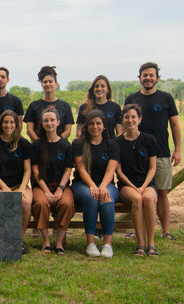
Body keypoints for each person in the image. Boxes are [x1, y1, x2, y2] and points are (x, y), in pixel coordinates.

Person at [125, 62, 181, 240]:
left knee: (162, 192)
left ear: (157, 78)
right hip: (136, 155)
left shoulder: (166, 98)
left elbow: (174, 125)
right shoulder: (132, 99)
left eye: (151, 75)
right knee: (139, 193)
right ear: (139, 78)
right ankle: (137, 230)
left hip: (162, 152)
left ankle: (165, 230)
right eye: (144, 75)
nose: (148, 78)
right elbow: (124, 125)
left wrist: (178, 149)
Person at [70, 110, 120, 258]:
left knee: (106, 198)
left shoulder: (112, 144)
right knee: (91, 197)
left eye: (98, 123)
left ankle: (107, 244)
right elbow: (80, 168)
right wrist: (92, 185)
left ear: (104, 126)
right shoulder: (78, 143)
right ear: (87, 126)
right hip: (82, 184)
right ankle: (90, 243)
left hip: (106, 183)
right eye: (91, 123)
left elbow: (111, 170)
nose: (95, 126)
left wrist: (103, 186)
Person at [30, 108, 75, 255]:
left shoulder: (66, 145)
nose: (49, 123)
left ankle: (59, 242)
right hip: (41, 186)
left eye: (52, 120)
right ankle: (46, 241)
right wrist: (47, 191)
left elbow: (68, 170)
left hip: (60, 185)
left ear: (58, 122)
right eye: (46, 121)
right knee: (42, 203)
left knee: (67, 204)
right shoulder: (36, 145)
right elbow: (36, 171)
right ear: (42, 124)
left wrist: (60, 189)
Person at [116, 104, 159, 257]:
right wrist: (133, 186)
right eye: (126, 117)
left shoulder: (149, 140)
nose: (130, 120)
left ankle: (151, 243)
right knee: (136, 198)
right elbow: (118, 171)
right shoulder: (117, 143)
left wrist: (144, 186)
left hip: (147, 184)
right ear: (122, 120)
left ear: (139, 119)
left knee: (147, 198)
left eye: (133, 117)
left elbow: (152, 168)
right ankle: (140, 243)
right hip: (127, 185)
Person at [0, 110, 33, 254]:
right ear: (1, 124)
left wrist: (21, 188)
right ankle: (1, 239)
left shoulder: (24, 143)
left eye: (11, 122)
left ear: (16, 125)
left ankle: (19, 239)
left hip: (19, 185)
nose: (8, 125)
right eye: (5, 122)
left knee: (26, 202)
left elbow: (28, 170)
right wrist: (3, 187)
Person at [24, 66, 74, 141]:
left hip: (60, 148)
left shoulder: (65, 106)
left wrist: (56, 143)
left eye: (50, 81)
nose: (48, 84)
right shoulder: (33, 106)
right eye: (45, 82)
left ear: (56, 84)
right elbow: (29, 130)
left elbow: (68, 131)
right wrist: (40, 144)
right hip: (39, 148)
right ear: (41, 85)